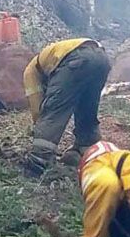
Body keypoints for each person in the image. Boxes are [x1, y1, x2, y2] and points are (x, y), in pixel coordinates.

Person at [22, 38, 111, 177]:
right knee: (86, 107)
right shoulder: (51, 58)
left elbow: (38, 109)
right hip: (101, 58)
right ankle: (87, 147)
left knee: (54, 111)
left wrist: (38, 127)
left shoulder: (30, 72)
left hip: (77, 59)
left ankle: (39, 159)